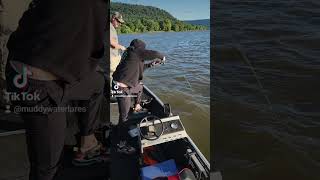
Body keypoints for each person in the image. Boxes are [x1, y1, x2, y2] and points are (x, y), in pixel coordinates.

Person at [5, 1, 107, 179]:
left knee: (97, 83)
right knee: (46, 168)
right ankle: (84, 142)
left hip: (25, 70)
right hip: (38, 88)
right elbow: (94, 52)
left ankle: (87, 141)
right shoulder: (96, 6)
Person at [112, 39, 165, 154]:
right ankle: (121, 144)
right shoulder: (135, 52)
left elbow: (140, 67)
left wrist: (151, 64)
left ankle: (137, 105)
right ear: (140, 48)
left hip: (120, 84)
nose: (144, 51)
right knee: (124, 117)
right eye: (143, 50)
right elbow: (156, 54)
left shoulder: (129, 55)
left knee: (140, 87)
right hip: (121, 88)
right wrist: (162, 57)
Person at [110, 11, 126, 84]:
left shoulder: (112, 28)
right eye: (118, 21)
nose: (120, 24)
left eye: (121, 22)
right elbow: (111, 42)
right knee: (110, 77)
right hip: (111, 59)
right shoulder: (109, 27)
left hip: (114, 57)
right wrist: (121, 47)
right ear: (113, 18)